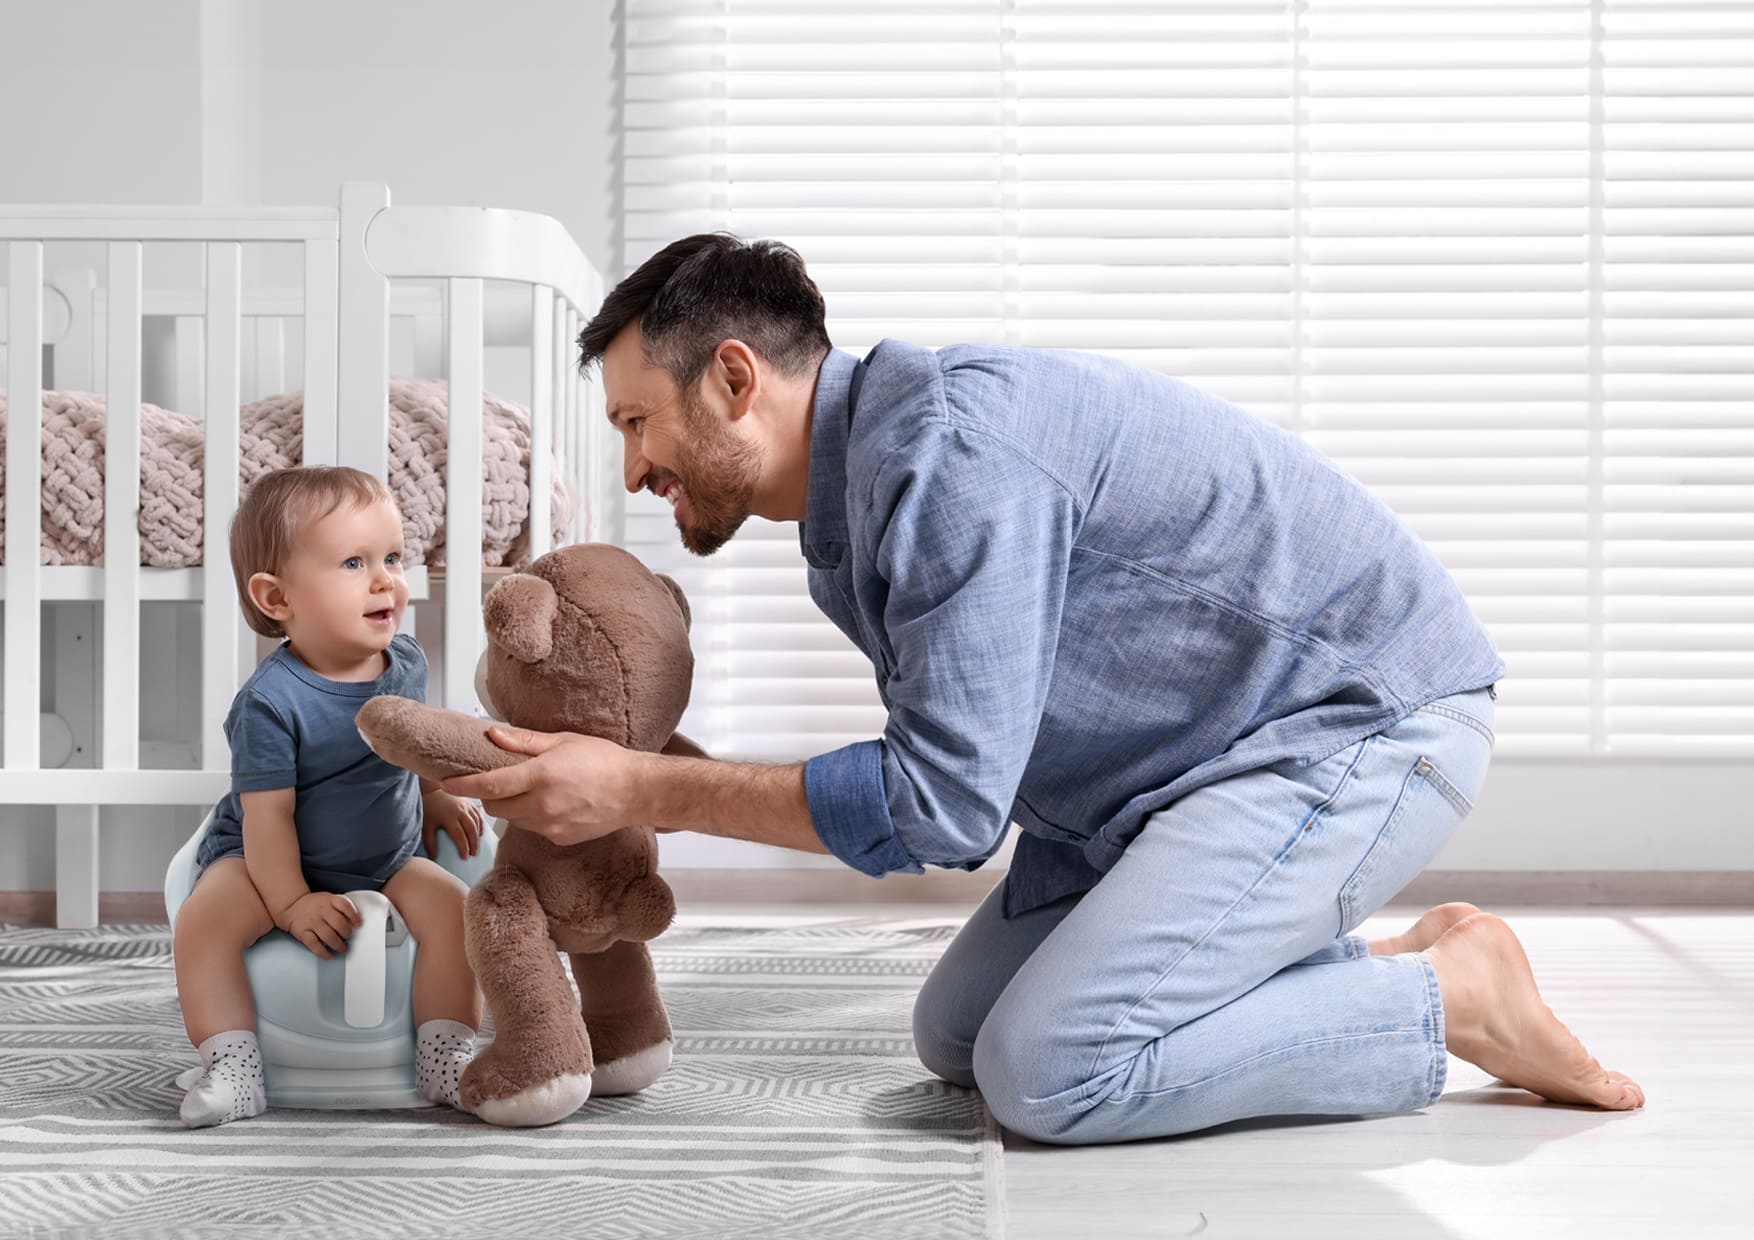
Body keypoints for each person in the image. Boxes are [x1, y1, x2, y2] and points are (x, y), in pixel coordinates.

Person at [443, 235, 1644, 1145]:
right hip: (1166, 780)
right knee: (955, 1037)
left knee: (1051, 1074)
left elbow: (947, 806)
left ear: (735, 377)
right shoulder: (850, 515)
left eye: (638, 421)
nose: (633, 466)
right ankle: (1316, 958)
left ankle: (1443, 997)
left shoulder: (950, 459)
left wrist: (644, 788)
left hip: (1353, 731)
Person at [172, 466, 486, 1127]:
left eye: (393, 558)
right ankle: (233, 1067)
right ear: (277, 597)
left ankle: (445, 1055)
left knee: (461, 912)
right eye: (353, 562)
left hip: (385, 855)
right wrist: (288, 902)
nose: (386, 580)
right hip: (266, 861)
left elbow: (413, 744)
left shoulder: (405, 662)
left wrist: (429, 795)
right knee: (204, 925)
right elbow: (268, 818)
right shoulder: (269, 703)